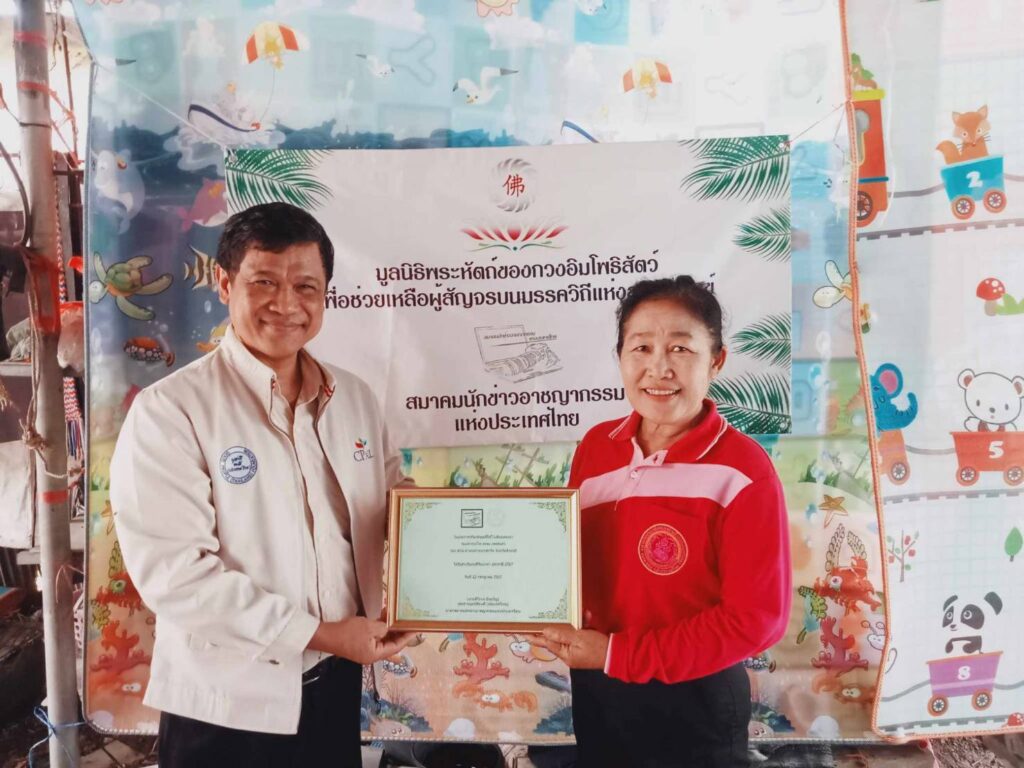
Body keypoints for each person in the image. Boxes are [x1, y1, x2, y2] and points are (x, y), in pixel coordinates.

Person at [110, 202, 413, 767]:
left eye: (306, 286)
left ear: (326, 294)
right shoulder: (172, 410)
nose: (286, 305)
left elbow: (394, 501)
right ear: (225, 284)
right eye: (264, 282)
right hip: (226, 705)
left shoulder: (354, 399)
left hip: (335, 685)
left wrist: (449, 542)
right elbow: (177, 576)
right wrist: (322, 633)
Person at [537, 276, 791, 767]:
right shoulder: (597, 448)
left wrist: (619, 655)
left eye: (680, 348)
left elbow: (757, 618)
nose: (659, 368)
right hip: (598, 688)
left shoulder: (743, 470)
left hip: (695, 700)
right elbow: (575, 565)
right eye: (641, 348)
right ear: (620, 357)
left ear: (716, 360)